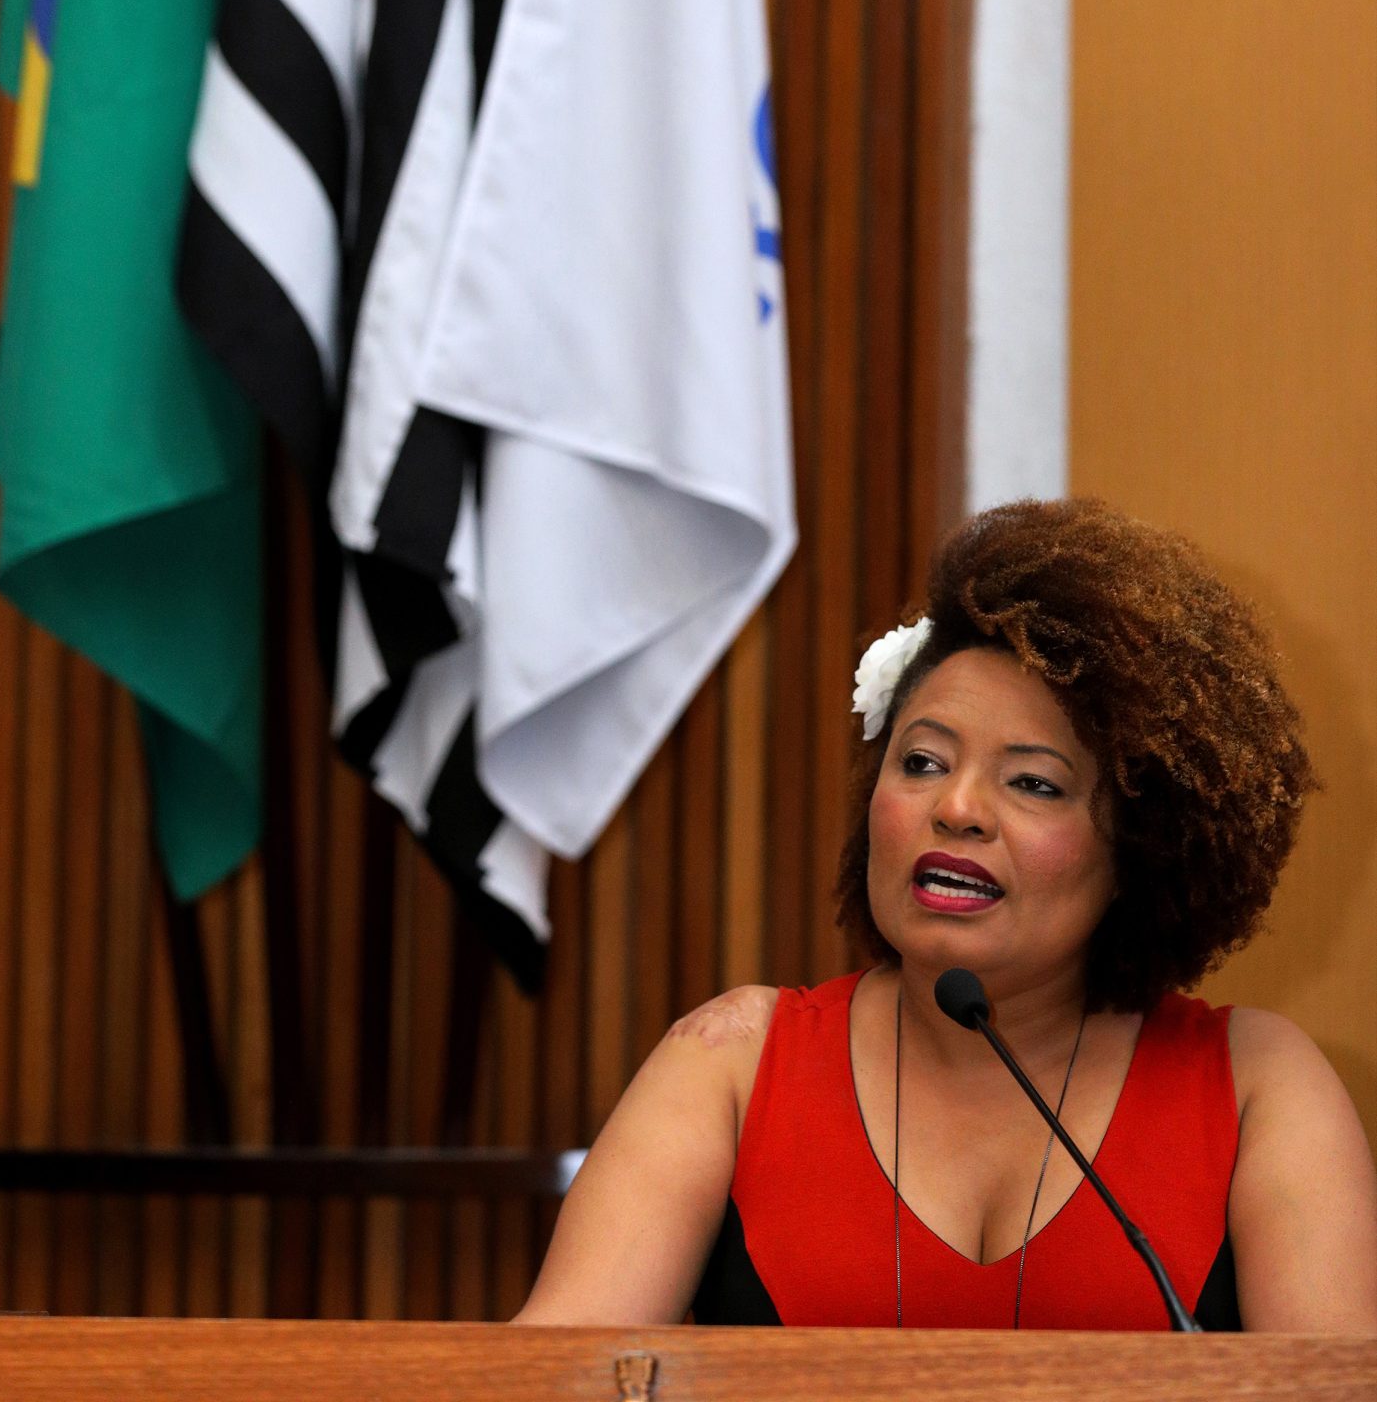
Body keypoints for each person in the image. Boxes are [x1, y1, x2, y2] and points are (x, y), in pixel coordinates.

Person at [515, 498, 1377, 1331]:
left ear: (1141, 849)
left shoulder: (1256, 1086)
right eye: (922, 761)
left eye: (1033, 782)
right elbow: (551, 1379)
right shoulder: (732, 1068)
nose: (956, 807)